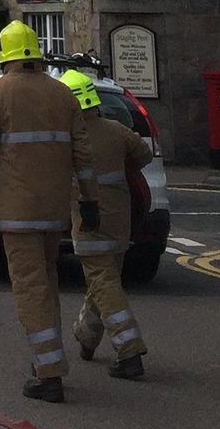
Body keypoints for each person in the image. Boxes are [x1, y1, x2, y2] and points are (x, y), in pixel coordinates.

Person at [0, 20, 94, 404]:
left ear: (4, 55)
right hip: (55, 211)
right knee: (47, 283)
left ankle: (49, 373)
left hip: (19, 211)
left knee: (30, 288)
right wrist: (90, 200)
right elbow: (82, 154)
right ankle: (46, 362)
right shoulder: (63, 94)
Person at [62, 67, 153, 381]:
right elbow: (144, 155)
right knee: (103, 279)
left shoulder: (69, 139)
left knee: (102, 281)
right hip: (120, 222)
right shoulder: (116, 130)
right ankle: (86, 338)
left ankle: (129, 348)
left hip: (89, 222)